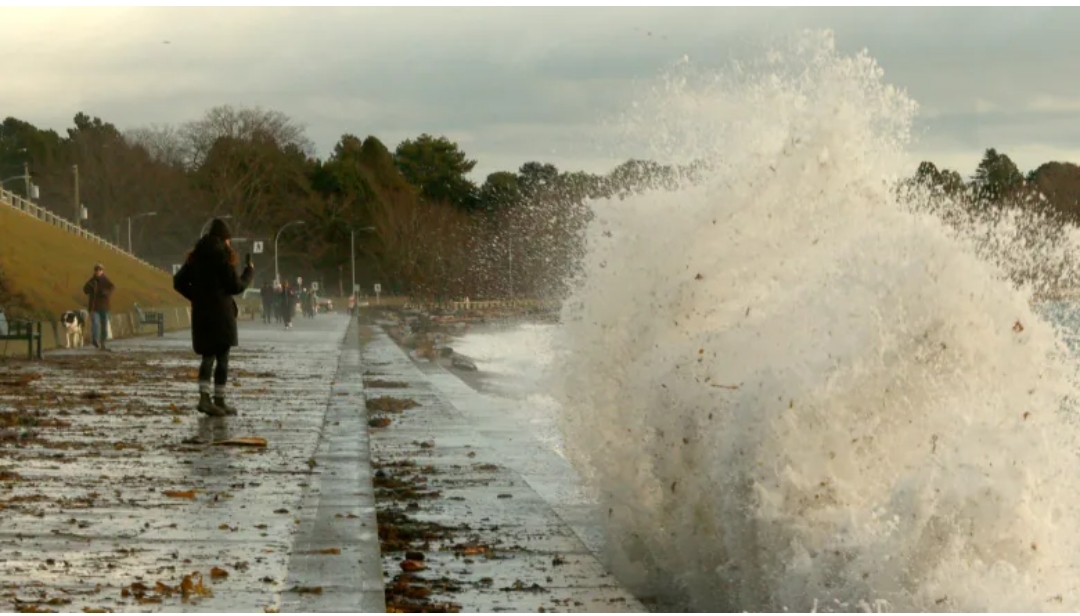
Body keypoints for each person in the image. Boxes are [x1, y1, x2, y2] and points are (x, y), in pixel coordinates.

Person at [172, 218, 254, 417]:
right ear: (225, 239)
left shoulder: (196, 256)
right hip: (221, 315)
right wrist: (248, 272)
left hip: (202, 314)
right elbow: (235, 286)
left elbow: (178, 282)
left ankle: (205, 399)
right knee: (222, 358)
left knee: (208, 356)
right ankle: (218, 399)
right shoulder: (221, 256)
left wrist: (197, 297)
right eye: (229, 240)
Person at [83, 263, 115, 351]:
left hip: (104, 307)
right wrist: (90, 287)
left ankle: (103, 342)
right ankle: (95, 340)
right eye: (96, 270)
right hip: (94, 307)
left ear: (102, 271)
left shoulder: (105, 280)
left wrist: (106, 293)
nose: (98, 272)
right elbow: (85, 290)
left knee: (104, 325)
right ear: (94, 271)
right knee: (95, 324)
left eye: (100, 270)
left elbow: (112, 287)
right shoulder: (91, 281)